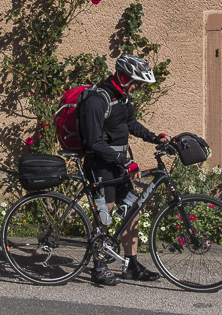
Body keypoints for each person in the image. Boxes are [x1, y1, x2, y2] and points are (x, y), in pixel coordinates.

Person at [77, 53, 169, 286]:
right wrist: (126, 162)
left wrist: (154, 138)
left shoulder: (124, 98)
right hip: (100, 164)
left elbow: (130, 124)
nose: (138, 88)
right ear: (123, 77)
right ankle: (99, 268)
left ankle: (131, 266)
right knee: (104, 214)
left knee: (132, 210)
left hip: (118, 165)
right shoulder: (97, 100)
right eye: (136, 83)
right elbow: (94, 142)